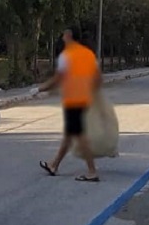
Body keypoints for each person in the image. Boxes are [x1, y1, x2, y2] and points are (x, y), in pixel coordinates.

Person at [35, 28, 101, 182]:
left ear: (70, 37)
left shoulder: (67, 55)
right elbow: (97, 79)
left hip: (73, 100)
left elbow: (58, 78)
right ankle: (54, 165)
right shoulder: (88, 54)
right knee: (70, 134)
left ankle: (92, 171)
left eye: (64, 34)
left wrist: (39, 88)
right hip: (84, 99)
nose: (63, 37)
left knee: (79, 135)